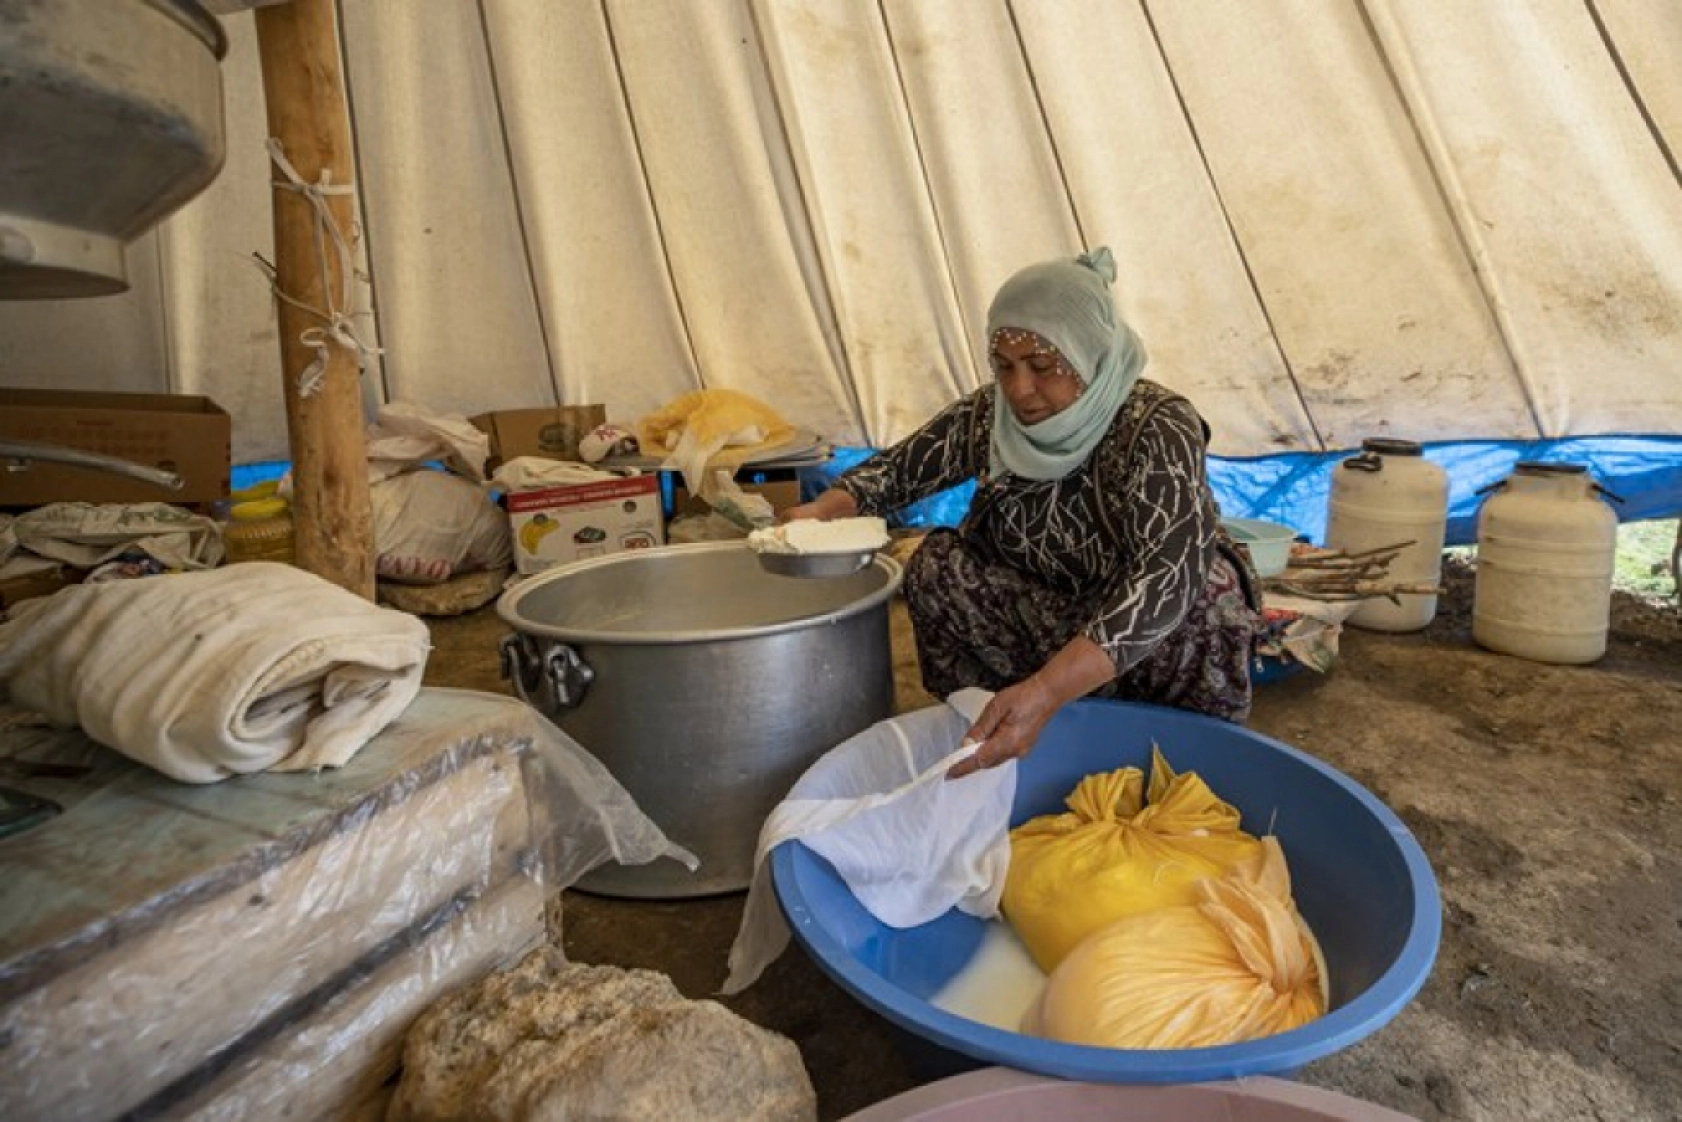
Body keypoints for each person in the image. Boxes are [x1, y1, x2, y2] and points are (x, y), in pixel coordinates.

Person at [782, 247, 1262, 779]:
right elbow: (900, 471)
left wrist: (1049, 687)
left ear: (1090, 354)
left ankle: (1176, 755)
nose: (1019, 390)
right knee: (936, 565)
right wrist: (824, 510)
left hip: (1138, 633)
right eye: (1004, 367)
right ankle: (986, 729)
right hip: (1045, 609)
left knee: (1207, 597)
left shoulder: (1156, 425)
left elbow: (1165, 577)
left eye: (1042, 367)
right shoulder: (993, 414)